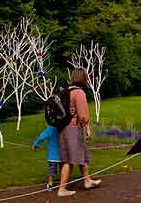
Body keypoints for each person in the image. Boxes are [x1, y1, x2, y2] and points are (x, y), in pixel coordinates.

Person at [57, 68, 101, 197]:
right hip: (74, 128)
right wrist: (87, 128)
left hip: (62, 129)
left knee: (77, 155)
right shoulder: (79, 93)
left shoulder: (65, 91)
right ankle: (62, 189)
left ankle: (87, 180)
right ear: (83, 78)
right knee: (71, 159)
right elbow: (83, 116)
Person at [32, 125, 61, 190]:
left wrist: (35, 144)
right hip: (63, 154)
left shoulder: (50, 128)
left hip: (52, 156)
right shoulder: (63, 126)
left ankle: (50, 184)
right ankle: (63, 183)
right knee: (62, 169)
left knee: (51, 170)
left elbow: (42, 137)